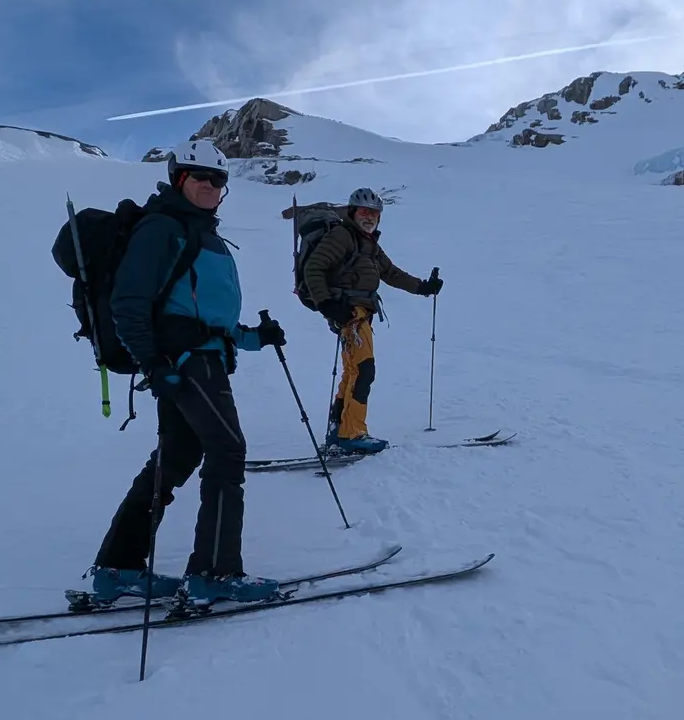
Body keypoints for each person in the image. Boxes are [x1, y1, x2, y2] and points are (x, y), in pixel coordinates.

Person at [85, 140, 288, 612]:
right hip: (184, 361)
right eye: (200, 176)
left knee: (175, 458)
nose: (210, 185)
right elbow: (128, 304)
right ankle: (214, 572)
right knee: (227, 449)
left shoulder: (205, 236)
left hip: (199, 358)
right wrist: (154, 365)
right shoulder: (162, 228)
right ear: (179, 178)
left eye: (218, 180)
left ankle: (118, 568)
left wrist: (258, 337)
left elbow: (214, 322)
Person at [300, 186, 441, 454]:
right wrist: (328, 305)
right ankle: (351, 434)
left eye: (374, 214)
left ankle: (338, 431)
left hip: (359, 314)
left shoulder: (369, 244)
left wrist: (423, 287)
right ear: (352, 212)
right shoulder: (342, 236)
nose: (369, 217)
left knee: (353, 371)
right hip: (349, 313)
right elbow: (313, 267)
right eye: (364, 212)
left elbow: (392, 273)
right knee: (364, 369)